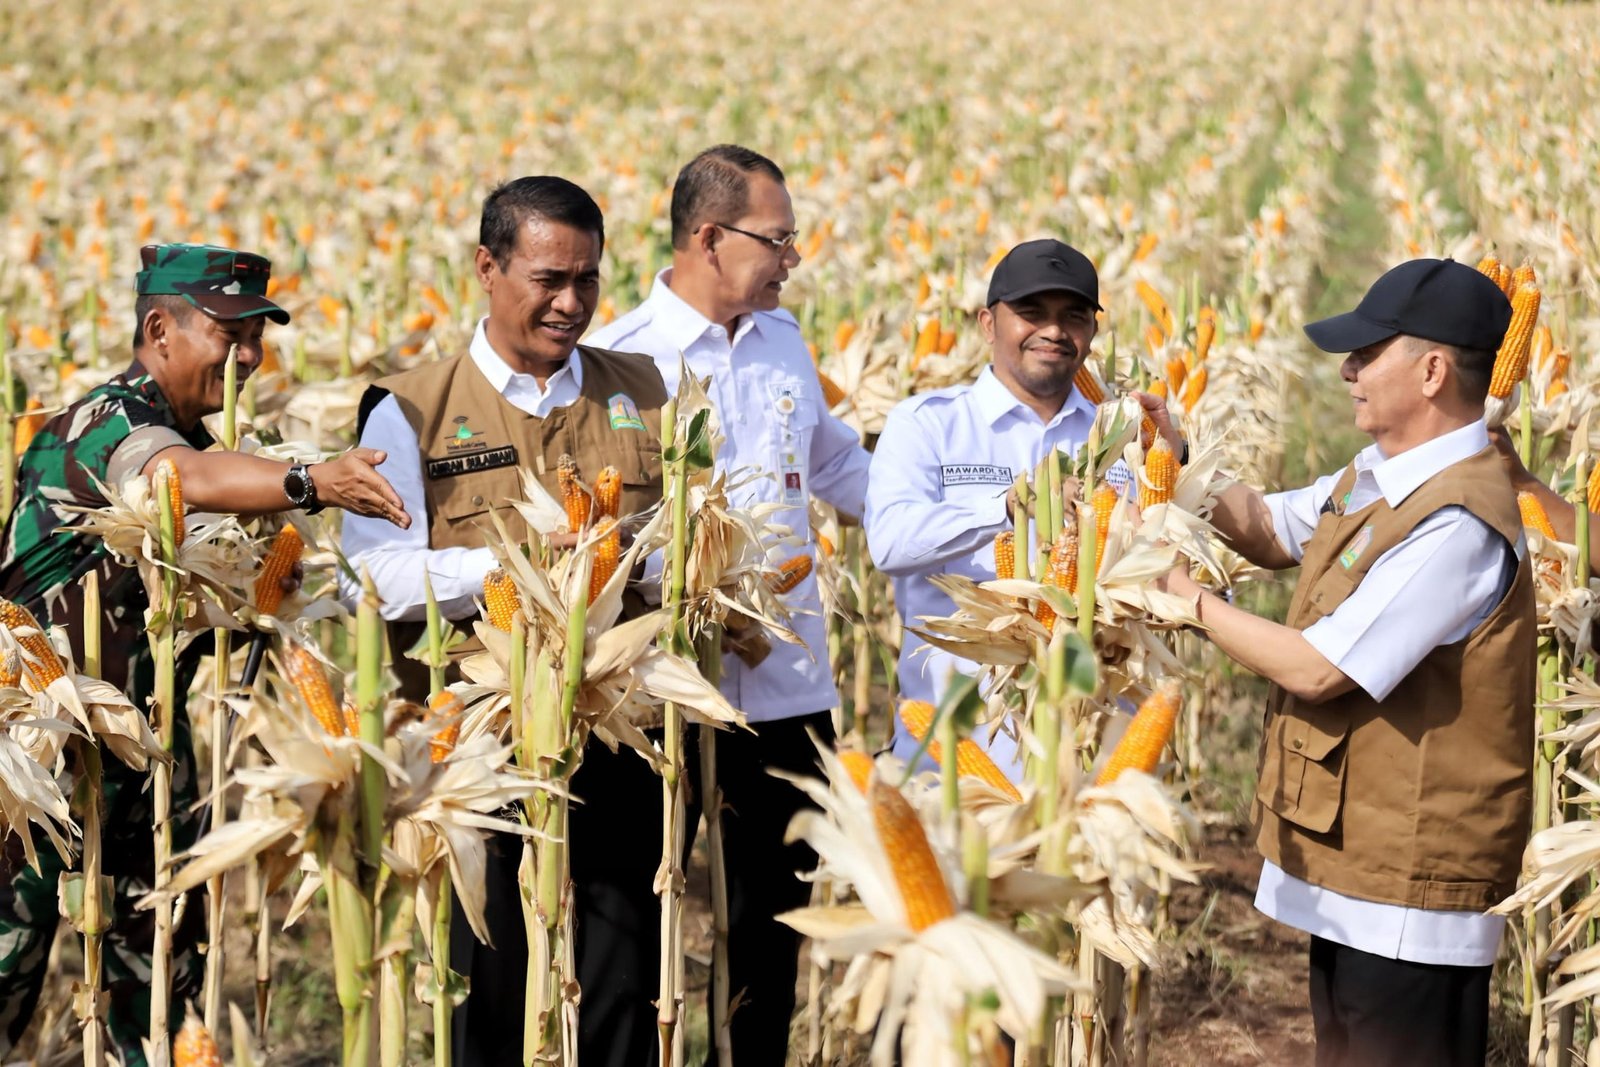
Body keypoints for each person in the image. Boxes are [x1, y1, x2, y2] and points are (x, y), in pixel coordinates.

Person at [0, 242, 408, 1065]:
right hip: (35, 758)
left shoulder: (215, 440)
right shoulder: (105, 422)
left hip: (143, 764)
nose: (251, 357)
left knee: (158, 997)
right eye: (233, 333)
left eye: (259, 336)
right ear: (160, 327)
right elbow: (173, 478)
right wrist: (306, 480)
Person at [1146, 258, 1533, 1067]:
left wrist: (1192, 603)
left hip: (1412, 903)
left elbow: (1322, 667)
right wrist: (1178, 462)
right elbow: (1272, 527)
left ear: (1431, 371)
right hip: (1361, 877)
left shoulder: (1458, 523)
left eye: (1367, 352)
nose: (1348, 371)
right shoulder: (1379, 477)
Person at [341, 176, 673, 1067]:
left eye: (588, 280)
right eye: (547, 279)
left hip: (614, 731)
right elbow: (368, 573)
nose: (571, 303)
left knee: (622, 986)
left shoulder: (642, 389)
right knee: (489, 997)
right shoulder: (410, 408)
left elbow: (678, 538)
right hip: (476, 747)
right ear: (488, 269)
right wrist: (516, 566)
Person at [589, 143, 870, 1064]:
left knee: (770, 926)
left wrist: (944, 520)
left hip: (786, 685)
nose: (792, 258)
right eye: (778, 240)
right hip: (662, 689)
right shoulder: (623, 360)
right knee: (638, 911)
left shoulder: (784, 340)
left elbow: (830, 461)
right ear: (709, 238)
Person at [864, 239, 1104, 780]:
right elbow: (891, 542)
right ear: (988, 324)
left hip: (1086, 762)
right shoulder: (928, 424)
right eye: (1031, 313)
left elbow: (1186, 581)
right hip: (956, 758)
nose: (1054, 331)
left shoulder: (1118, 439)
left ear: (1091, 332)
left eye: (1074, 316)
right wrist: (1011, 506)